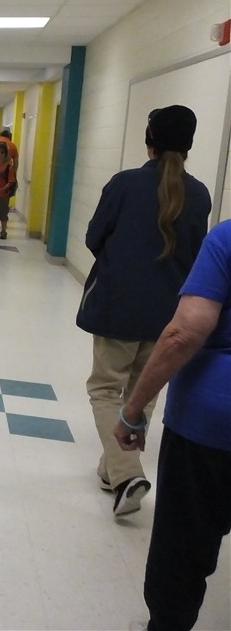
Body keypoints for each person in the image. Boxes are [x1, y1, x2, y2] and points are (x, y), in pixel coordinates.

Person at [77, 105, 211, 517]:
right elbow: (195, 257)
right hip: (168, 313)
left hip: (117, 307)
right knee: (143, 392)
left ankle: (126, 474)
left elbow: (94, 237)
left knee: (105, 389)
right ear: (188, 146)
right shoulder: (200, 194)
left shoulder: (125, 184)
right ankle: (113, 469)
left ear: (149, 140)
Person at [114, 219, 230, 631]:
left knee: (183, 550)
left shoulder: (227, 238)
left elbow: (183, 333)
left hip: (211, 427)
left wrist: (133, 409)